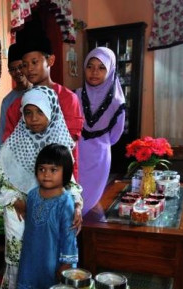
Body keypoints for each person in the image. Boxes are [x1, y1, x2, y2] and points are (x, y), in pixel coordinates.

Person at [0, 86, 81, 289]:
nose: (33, 119)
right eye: (28, 113)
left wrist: (77, 205)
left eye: (39, 112)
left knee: (49, 256)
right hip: (18, 211)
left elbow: (70, 181)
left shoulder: (61, 145)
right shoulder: (11, 145)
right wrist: (16, 201)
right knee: (19, 258)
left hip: (53, 210)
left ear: (51, 112)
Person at [1, 29, 84, 180]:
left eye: (35, 62)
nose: (29, 69)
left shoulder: (67, 99)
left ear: (50, 61)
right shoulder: (17, 105)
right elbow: (9, 145)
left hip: (60, 178)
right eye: (24, 65)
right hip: (27, 178)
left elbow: (68, 143)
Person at [16, 143, 79, 289]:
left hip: (53, 259)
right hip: (31, 256)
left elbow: (69, 236)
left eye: (53, 170)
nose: (46, 174)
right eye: (42, 169)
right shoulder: (32, 195)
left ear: (66, 172)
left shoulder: (65, 201)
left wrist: (66, 264)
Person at [76, 47, 126, 215]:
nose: (94, 72)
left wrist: (99, 143)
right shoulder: (75, 96)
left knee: (91, 201)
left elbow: (115, 135)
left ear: (110, 70)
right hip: (75, 155)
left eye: (101, 67)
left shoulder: (117, 103)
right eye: (90, 66)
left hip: (99, 158)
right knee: (73, 197)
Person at [0, 41, 32, 162]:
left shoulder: (39, 92)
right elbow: (2, 133)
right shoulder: (7, 101)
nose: (17, 72)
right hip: (16, 158)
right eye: (13, 69)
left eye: (20, 67)